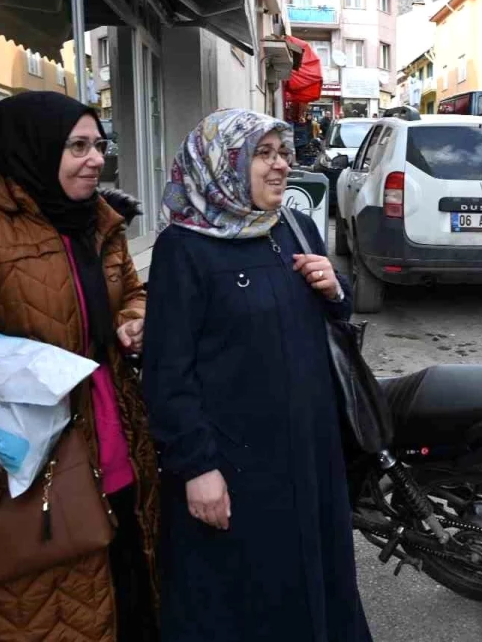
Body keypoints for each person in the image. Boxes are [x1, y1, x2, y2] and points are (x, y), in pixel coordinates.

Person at [0, 91, 159, 642]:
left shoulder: (102, 223)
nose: (96, 158)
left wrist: (135, 318)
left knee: (125, 577)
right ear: (34, 149)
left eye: (99, 145)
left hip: (112, 429)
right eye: (77, 146)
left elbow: (133, 293)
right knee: (35, 601)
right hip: (27, 451)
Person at [143, 109, 371, 642]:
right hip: (237, 467)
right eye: (262, 155)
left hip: (310, 453)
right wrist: (197, 468)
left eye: (282, 153)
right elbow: (167, 373)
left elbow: (332, 318)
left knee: (317, 578)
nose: (280, 167)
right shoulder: (184, 248)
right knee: (246, 596)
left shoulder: (293, 225)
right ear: (222, 165)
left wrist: (335, 290)